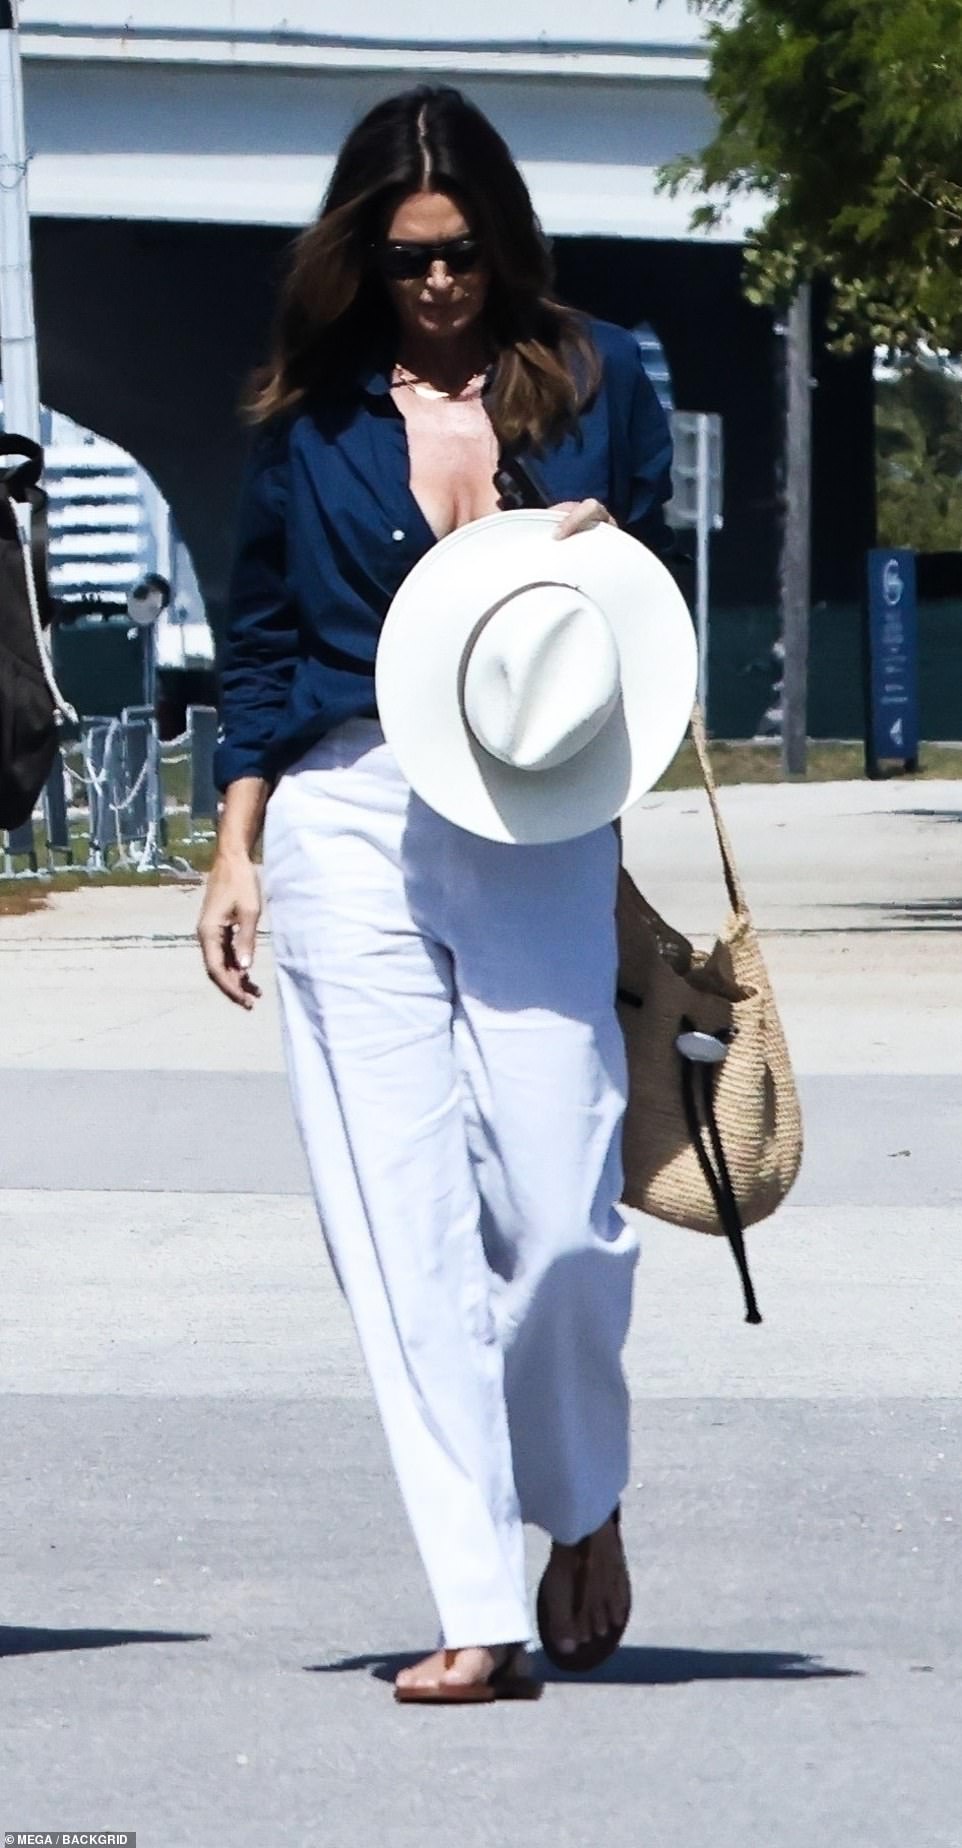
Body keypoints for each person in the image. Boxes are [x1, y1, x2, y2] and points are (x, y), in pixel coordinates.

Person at [198, 84, 674, 1704]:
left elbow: (642, 614)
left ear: (504, 241)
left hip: (534, 810)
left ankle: (581, 1498)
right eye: (407, 260)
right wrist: (236, 840)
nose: (440, 284)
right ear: (359, 258)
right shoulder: (307, 419)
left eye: (464, 252)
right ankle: (476, 1603)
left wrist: (586, 548)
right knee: (394, 1227)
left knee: (558, 1211)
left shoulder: (595, 378)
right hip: (346, 805)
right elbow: (261, 647)